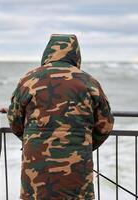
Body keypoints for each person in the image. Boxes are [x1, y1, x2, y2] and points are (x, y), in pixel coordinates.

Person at [7, 34, 114, 200]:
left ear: (48, 52)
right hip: (77, 163)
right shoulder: (89, 81)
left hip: (35, 161)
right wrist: (83, 143)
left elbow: (14, 120)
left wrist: (31, 138)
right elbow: (105, 125)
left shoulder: (29, 79)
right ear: (76, 54)